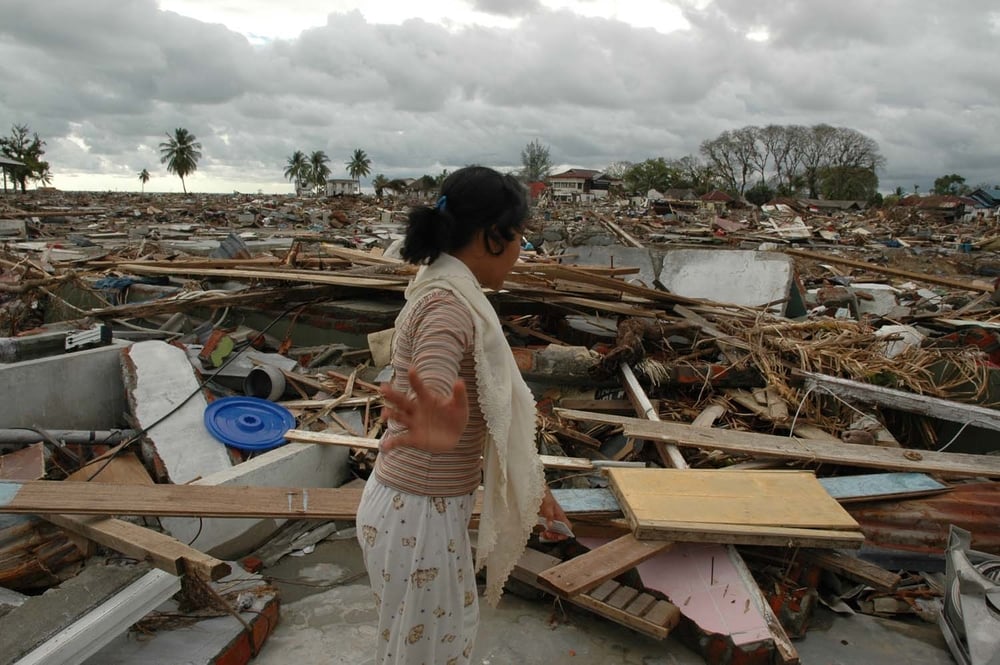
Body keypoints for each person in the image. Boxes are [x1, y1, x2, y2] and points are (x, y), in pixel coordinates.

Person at [356, 165, 571, 665]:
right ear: (494, 237)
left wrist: (532, 487)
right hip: (418, 514)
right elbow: (433, 378)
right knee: (429, 652)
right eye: (519, 237)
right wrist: (433, 421)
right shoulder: (450, 308)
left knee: (433, 643)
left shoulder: (445, 290)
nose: (521, 251)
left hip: (420, 507)